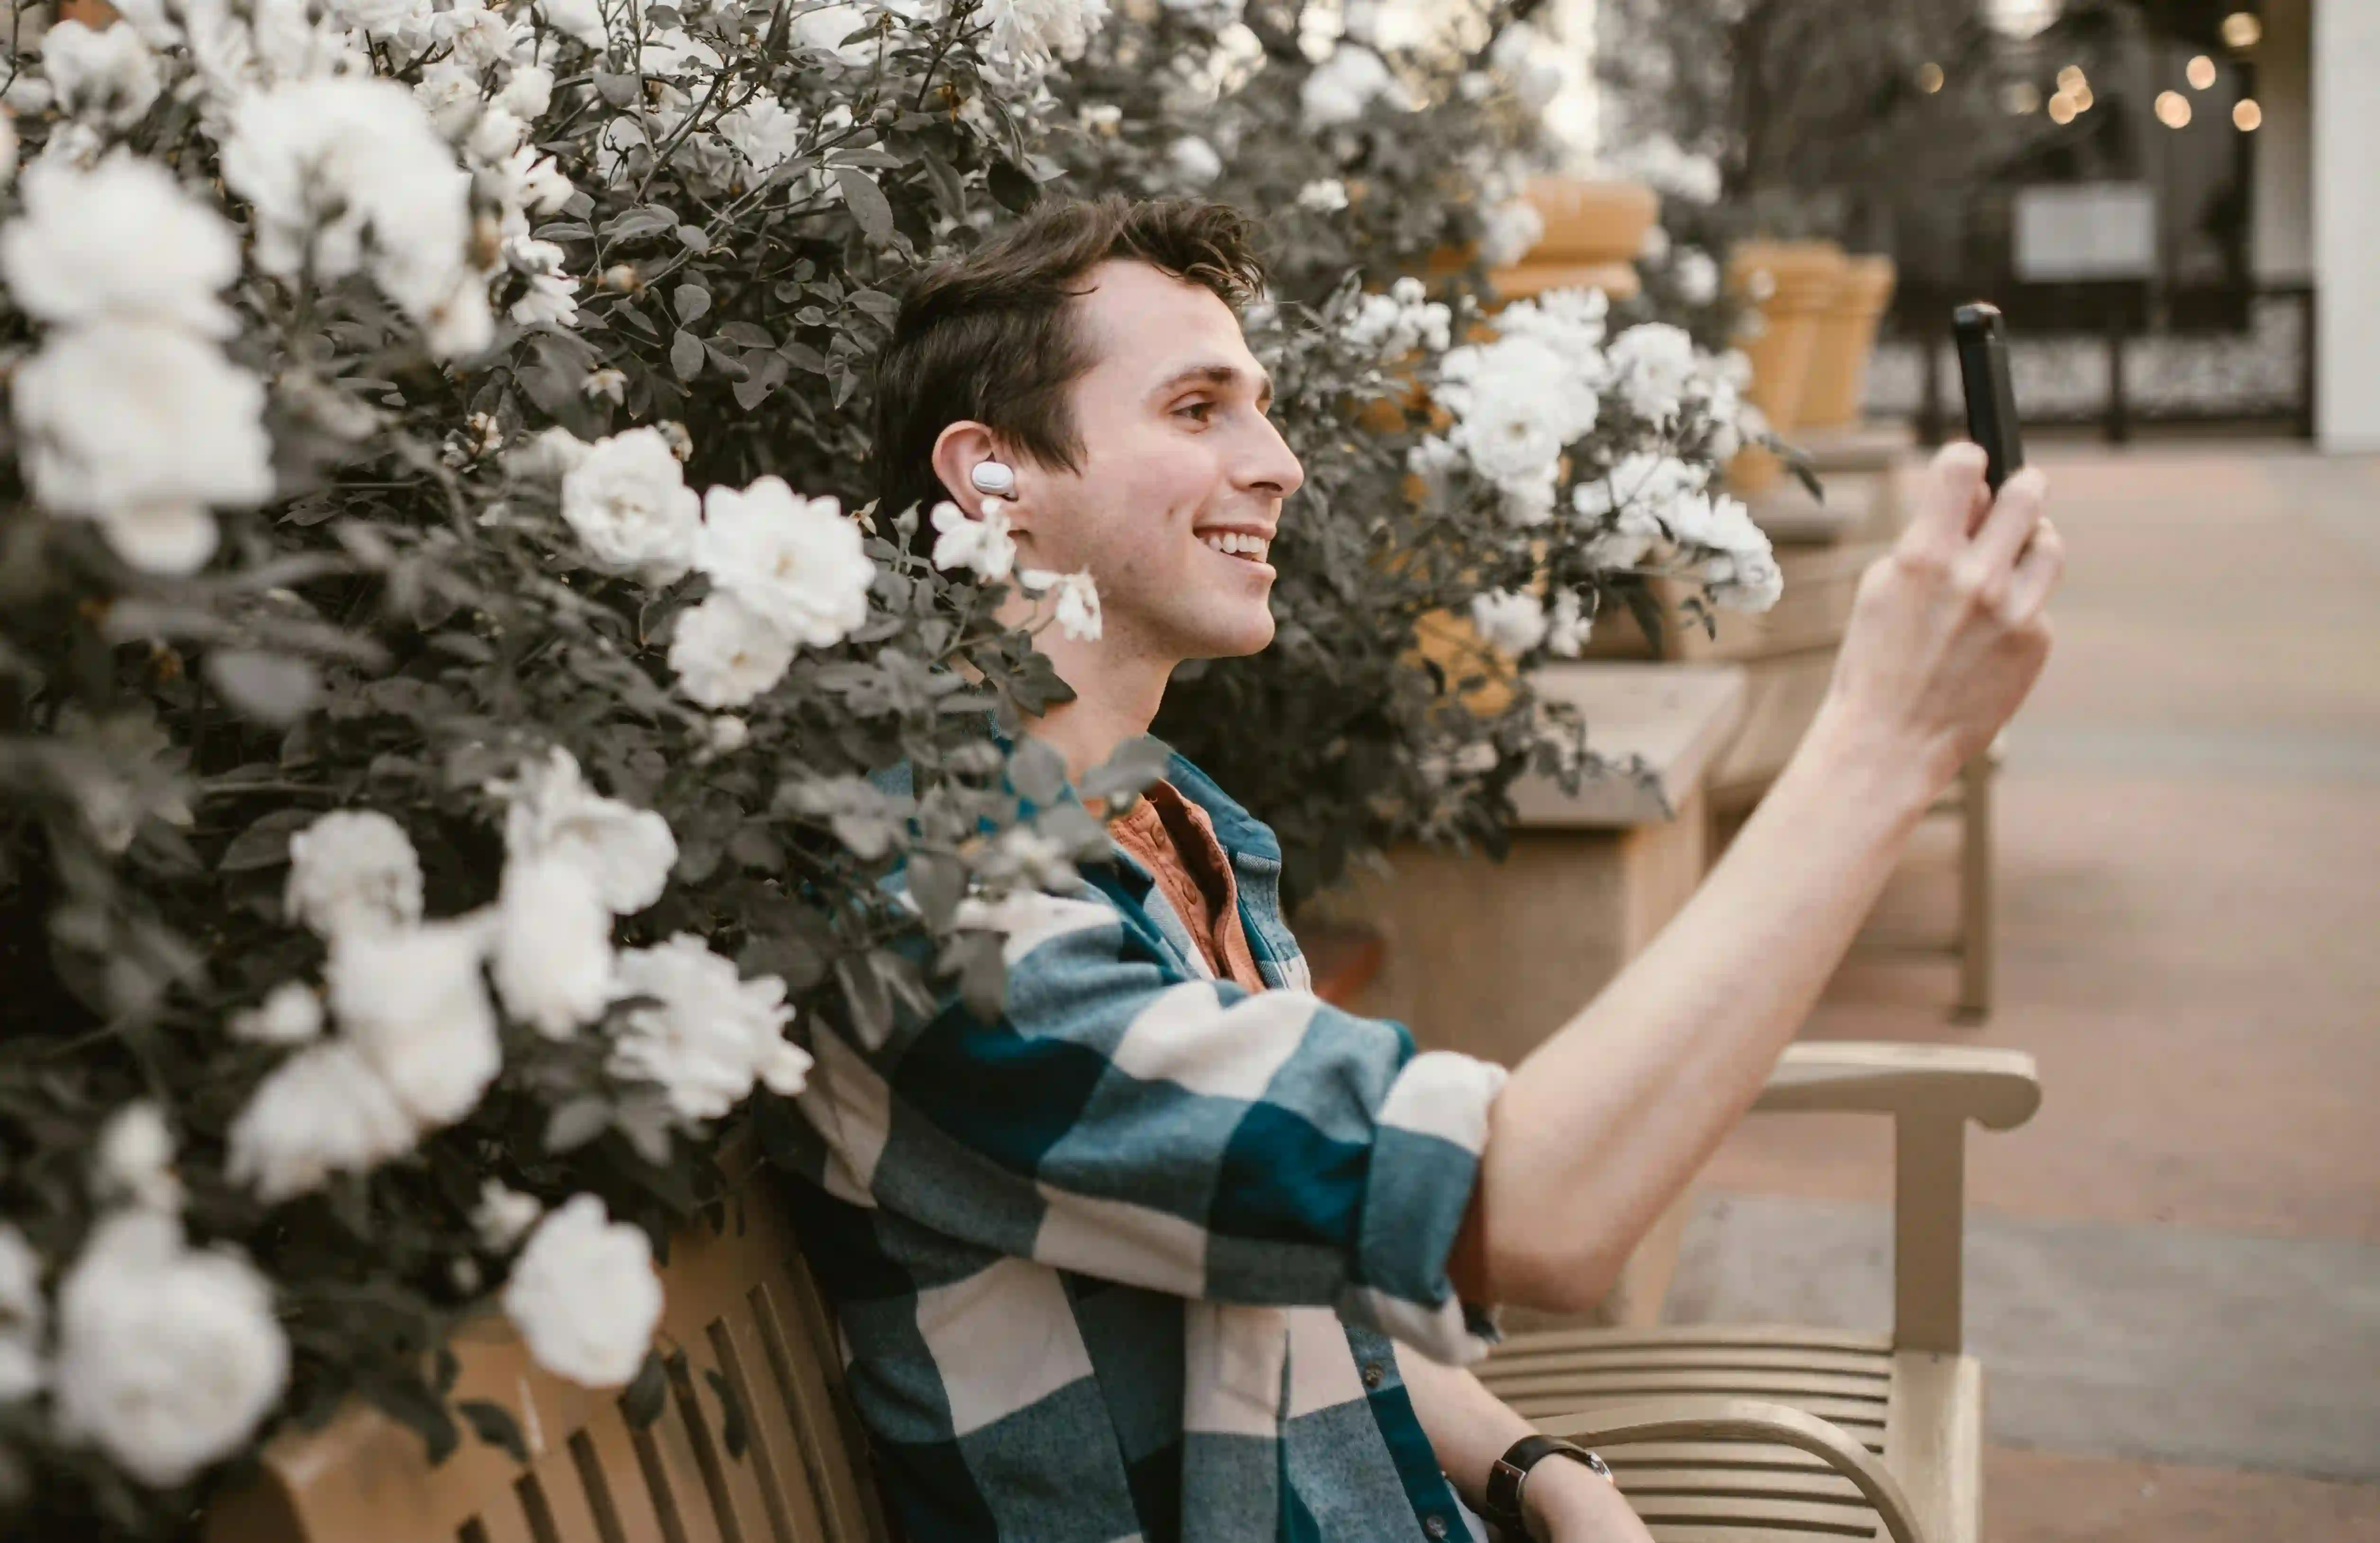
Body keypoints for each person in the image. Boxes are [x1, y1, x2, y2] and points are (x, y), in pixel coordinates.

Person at [775, 196, 2064, 1543]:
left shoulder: (1174, 825)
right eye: (1199, 407)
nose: (1278, 462)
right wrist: (1882, 744)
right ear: (993, 479)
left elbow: (1316, 1252)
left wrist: (1538, 1472)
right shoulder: (942, 923)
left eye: (1260, 407)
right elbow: (1530, 1207)